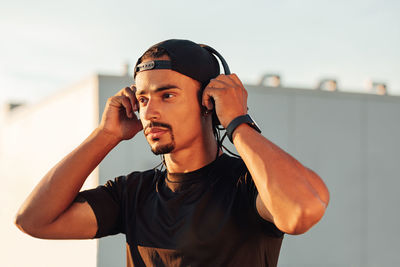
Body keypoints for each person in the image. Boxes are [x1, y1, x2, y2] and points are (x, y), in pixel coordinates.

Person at [15, 39, 329, 267]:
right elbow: (34, 220)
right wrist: (105, 135)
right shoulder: (133, 192)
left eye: (167, 95)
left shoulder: (249, 186)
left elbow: (301, 211)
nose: (149, 111)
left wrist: (238, 122)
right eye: (143, 99)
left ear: (208, 101)